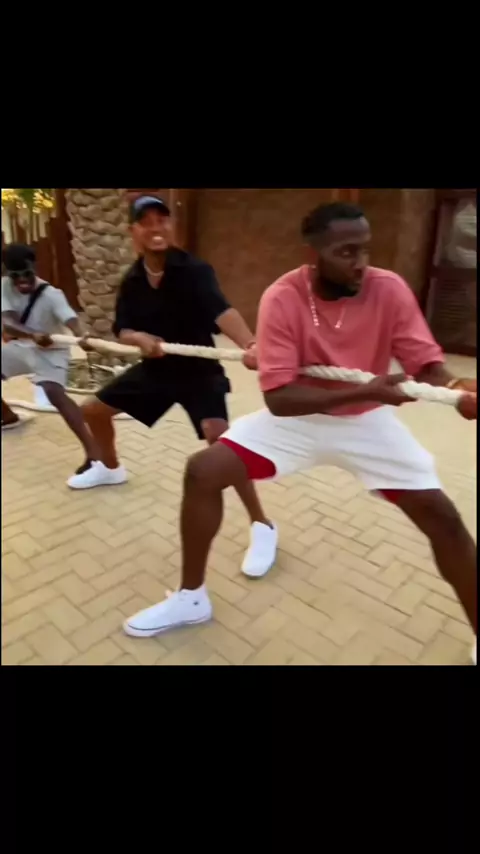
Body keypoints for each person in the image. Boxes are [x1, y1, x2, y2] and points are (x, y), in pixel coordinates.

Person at [123, 201, 477, 667]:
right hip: (299, 416)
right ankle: (191, 598)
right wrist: (365, 389)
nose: (360, 263)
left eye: (364, 250)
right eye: (345, 252)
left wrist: (455, 387)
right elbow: (278, 398)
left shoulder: (388, 289)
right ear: (313, 254)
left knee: (443, 517)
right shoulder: (283, 297)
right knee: (204, 470)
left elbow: (425, 364)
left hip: (367, 421)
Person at [67, 195, 278, 577]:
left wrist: (250, 343)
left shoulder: (194, 270)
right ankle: (111, 468)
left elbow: (222, 310)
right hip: (157, 372)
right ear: (133, 231)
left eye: (162, 220)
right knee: (93, 411)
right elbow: (122, 327)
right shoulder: (133, 279)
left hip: (199, 372)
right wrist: (138, 338)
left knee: (222, 444)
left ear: (171, 226)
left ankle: (262, 525)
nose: (155, 227)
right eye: (145, 221)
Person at [1, 244, 101, 460]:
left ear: (34, 268)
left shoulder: (52, 294)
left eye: (27, 274)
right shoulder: (4, 286)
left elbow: (70, 318)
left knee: (53, 391)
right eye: (15, 276)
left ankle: (94, 452)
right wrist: (33, 334)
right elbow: (8, 322)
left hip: (51, 351)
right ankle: (7, 416)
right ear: (8, 274)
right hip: (22, 347)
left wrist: (82, 335)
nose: (22, 280)